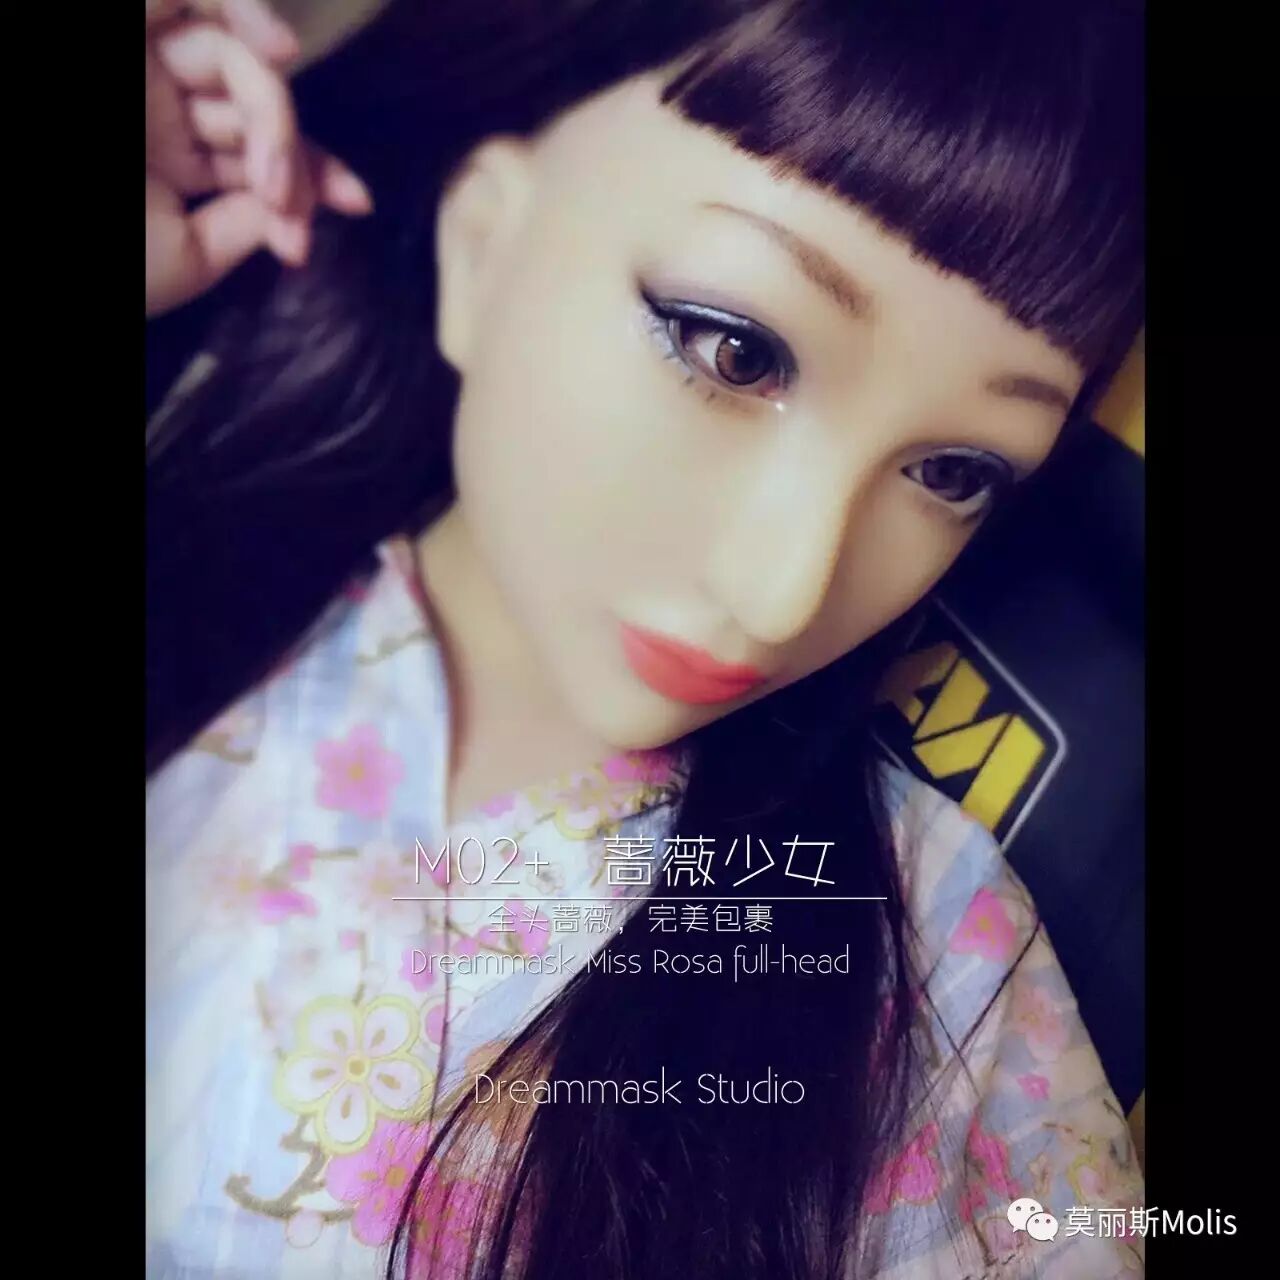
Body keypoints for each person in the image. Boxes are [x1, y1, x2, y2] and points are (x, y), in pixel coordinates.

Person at [144, 2, 1146, 1277]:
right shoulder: (188, 521)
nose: (785, 593)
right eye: (733, 349)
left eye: (952, 469)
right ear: (481, 240)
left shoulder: (937, 966)